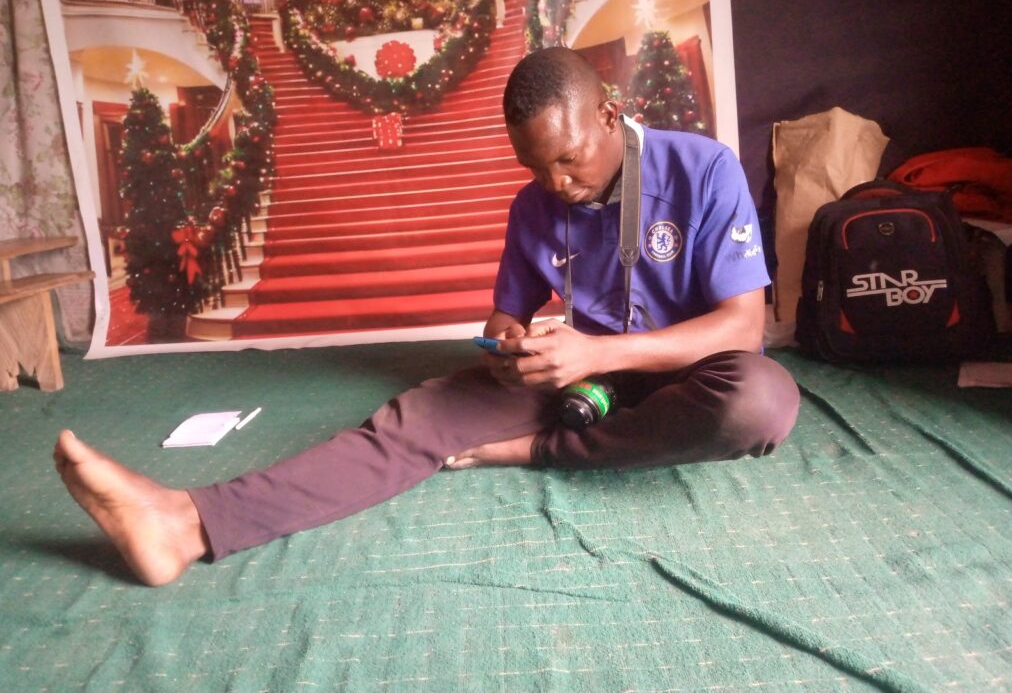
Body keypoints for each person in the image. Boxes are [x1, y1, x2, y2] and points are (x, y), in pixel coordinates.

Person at [54, 47, 800, 587]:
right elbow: (506, 314)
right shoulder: (533, 204)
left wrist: (600, 358)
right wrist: (510, 344)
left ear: (610, 114)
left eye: (569, 160)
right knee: (410, 423)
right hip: (575, 370)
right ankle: (186, 524)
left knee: (760, 402)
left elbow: (744, 328)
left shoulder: (702, 169)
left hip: (682, 368)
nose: (555, 183)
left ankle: (534, 450)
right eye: (534, 167)